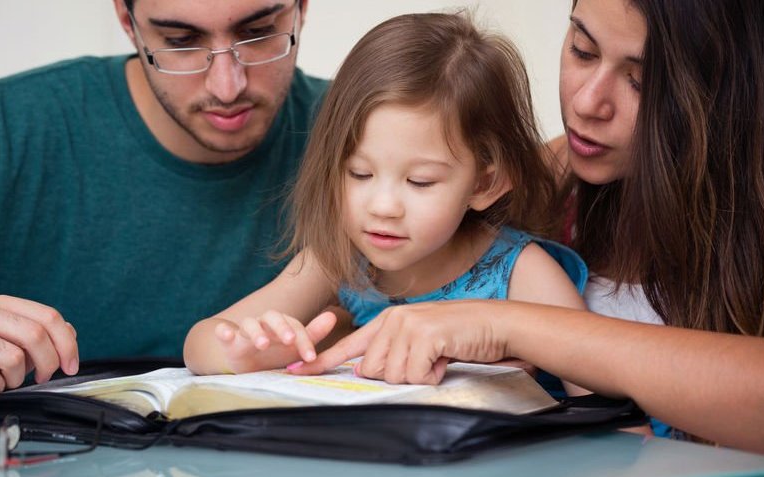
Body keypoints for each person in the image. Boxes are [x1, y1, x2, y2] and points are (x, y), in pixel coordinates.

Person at [292, 0, 764, 454]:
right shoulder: (530, 187)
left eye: (642, 82)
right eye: (582, 49)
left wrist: (507, 326)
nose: (587, 103)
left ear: (728, 90)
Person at [0, 0, 327, 407]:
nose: (227, 86)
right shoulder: (6, 129)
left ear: (302, 9)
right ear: (126, 21)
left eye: (258, 32)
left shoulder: (366, 135)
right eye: (180, 42)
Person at [183, 11, 589, 403]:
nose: (383, 207)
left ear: (485, 183)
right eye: (359, 173)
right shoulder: (338, 259)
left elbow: (608, 408)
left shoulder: (523, 273)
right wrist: (242, 352)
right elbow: (201, 342)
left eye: (420, 182)